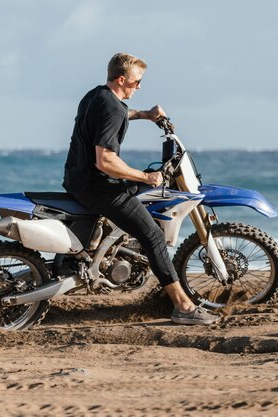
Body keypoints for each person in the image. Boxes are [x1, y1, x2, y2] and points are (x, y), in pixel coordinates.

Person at [63, 52, 218, 325]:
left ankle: (101, 248)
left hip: (77, 178)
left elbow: (117, 113)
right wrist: (148, 178)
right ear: (122, 80)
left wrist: (146, 115)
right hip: (98, 186)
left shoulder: (97, 96)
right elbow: (106, 160)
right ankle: (183, 307)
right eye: (137, 83)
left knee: (135, 188)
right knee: (154, 238)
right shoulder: (112, 109)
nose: (140, 87)